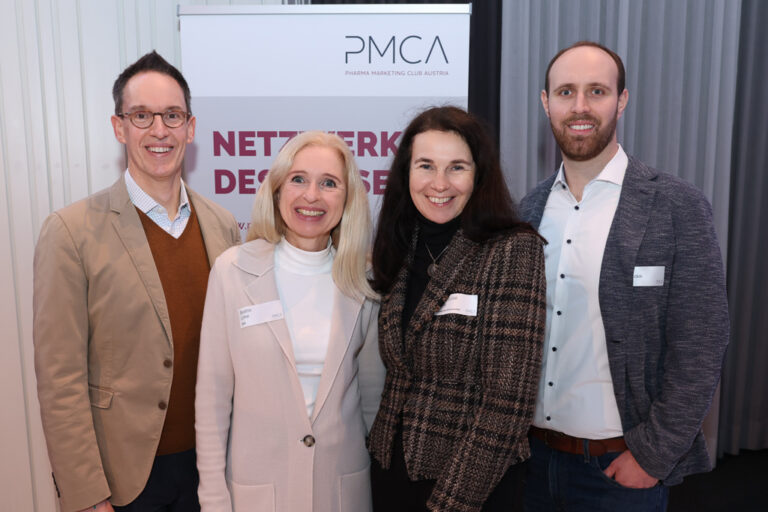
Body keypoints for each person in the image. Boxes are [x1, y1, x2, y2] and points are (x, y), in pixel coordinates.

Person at [520, 41, 730, 511]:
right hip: (531, 465)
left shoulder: (676, 206)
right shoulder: (527, 211)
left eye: (596, 91)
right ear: (546, 103)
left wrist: (653, 455)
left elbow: (702, 342)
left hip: (620, 472)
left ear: (622, 100)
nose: (580, 106)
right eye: (566, 92)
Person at [32, 51, 241, 512]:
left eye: (172, 115)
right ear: (119, 127)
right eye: (142, 116)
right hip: (123, 482)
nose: (159, 130)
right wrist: (88, 496)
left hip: (213, 471)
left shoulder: (222, 225)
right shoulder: (70, 232)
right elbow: (60, 379)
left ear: (190, 128)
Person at [367, 106, 546, 512]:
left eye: (457, 168)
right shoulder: (399, 246)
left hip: (472, 485)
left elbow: (509, 403)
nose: (439, 183)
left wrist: (449, 503)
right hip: (390, 472)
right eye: (426, 166)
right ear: (406, 173)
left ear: (479, 175)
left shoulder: (512, 250)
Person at [195, 131, 385, 512]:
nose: (312, 195)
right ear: (277, 189)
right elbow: (212, 400)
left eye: (329, 183)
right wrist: (213, 498)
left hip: (341, 490)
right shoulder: (232, 271)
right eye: (298, 179)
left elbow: (372, 397)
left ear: (347, 198)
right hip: (258, 491)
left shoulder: (364, 280)